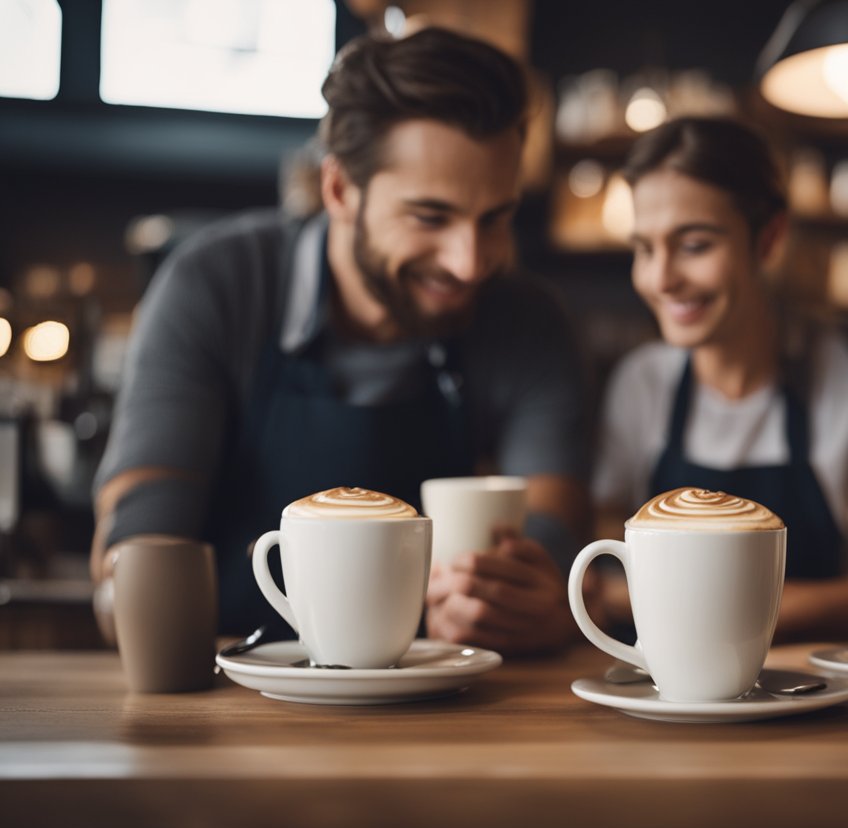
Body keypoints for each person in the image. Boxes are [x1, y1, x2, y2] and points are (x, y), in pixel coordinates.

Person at [92, 27, 591, 655]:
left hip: (443, 718)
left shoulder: (529, 321)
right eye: (429, 217)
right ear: (338, 191)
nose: (470, 262)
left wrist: (528, 597)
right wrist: (126, 594)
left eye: (494, 218)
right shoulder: (216, 285)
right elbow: (139, 544)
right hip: (233, 707)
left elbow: (552, 530)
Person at [594, 117, 848, 640]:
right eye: (644, 248)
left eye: (695, 245)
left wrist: (706, 613)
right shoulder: (639, 384)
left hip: (830, 692)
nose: (661, 279)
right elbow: (605, 572)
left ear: (769, 238)